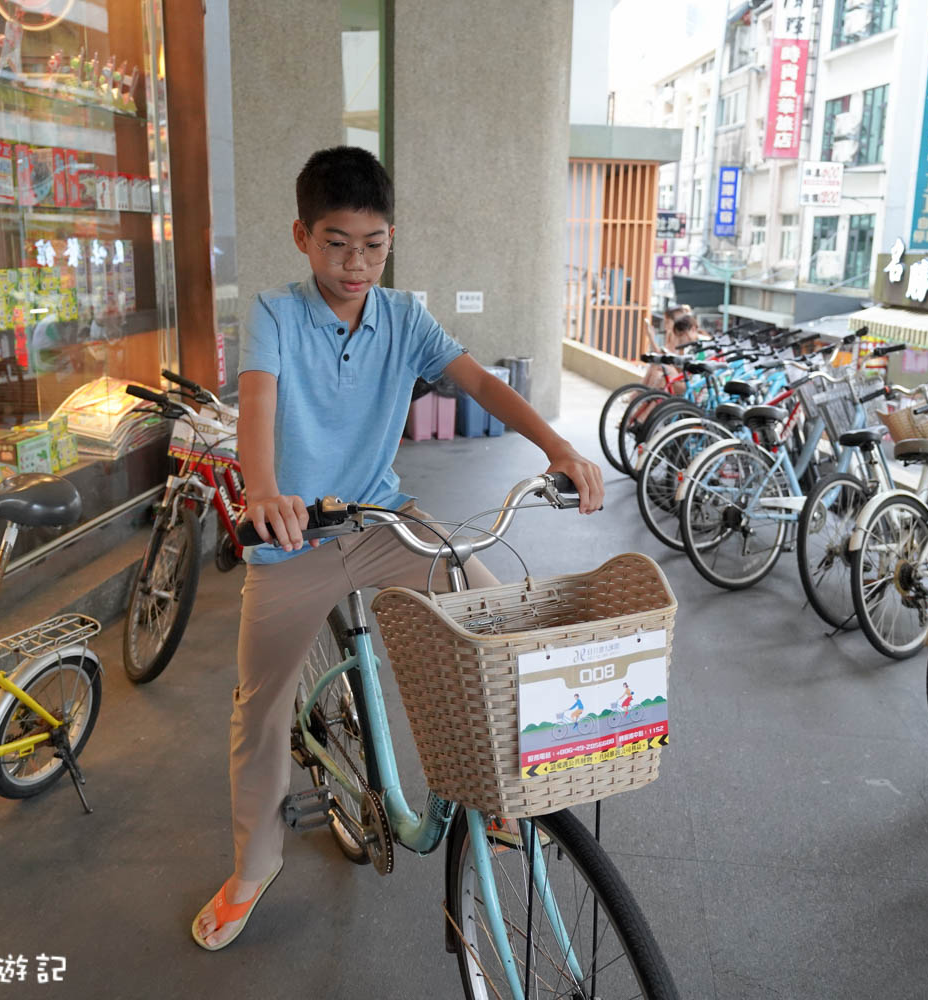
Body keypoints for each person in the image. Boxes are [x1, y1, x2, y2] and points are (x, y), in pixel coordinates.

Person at [191, 146, 605, 951]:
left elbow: (481, 384)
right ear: (302, 237)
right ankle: (253, 867)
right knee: (261, 712)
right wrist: (266, 490)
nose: (355, 262)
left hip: (383, 521)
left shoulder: (403, 316)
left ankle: (492, 791)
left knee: (491, 615)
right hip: (292, 539)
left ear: (391, 239)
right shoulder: (275, 316)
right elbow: (257, 403)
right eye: (337, 241)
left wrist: (558, 446)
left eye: (373, 243)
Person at [643, 313, 700, 392]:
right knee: (659, 374)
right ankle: (641, 400)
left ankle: (640, 399)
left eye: (681, 335)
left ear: (693, 329)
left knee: (661, 371)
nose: (680, 338)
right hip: (686, 382)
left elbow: (687, 372)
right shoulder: (687, 345)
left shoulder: (700, 345)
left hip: (695, 388)